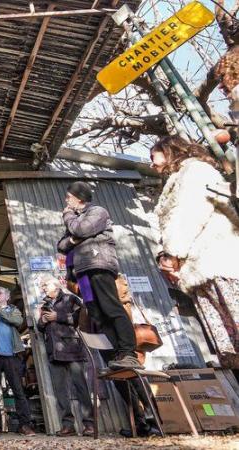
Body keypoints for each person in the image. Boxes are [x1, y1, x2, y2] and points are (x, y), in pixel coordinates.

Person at [150, 136, 239, 369]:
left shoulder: (195, 171)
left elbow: (189, 212)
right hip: (201, 268)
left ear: (169, 151)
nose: (152, 164)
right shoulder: (178, 178)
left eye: (154, 156)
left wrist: (172, 253)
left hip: (216, 260)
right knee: (230, 345)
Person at [57, 181, 141, 370]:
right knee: (97, 314)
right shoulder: (77, 219)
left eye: (69, 197)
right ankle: (115, 356)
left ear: (79, 198)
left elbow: (81, 230)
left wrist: (70, 218)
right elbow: (61, 246)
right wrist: (73, 238)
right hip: (83, 273)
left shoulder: (97, 212)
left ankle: (128, 352)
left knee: (111, 308)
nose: (66, 200)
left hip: (98, 264)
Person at [36, 275, 94, 437]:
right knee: (60, 390)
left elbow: (82, 318)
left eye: (45, 285)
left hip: (72, 348)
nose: (43, 288)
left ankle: (89, 424)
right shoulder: (45, 304)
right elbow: (39, 327)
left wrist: (58, 317)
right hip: (54, 351)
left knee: (81, 388)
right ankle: (68, 425)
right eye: (42, 286)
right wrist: (42, 321)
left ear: (56, 285)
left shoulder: (71, 299)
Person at [0, 287, 36, 436]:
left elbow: (18, 321)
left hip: (9, 354)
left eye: (0, 293)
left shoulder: (13, 310)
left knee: (17, 389)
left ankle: (24, 425)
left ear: (7, 296)